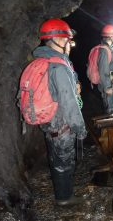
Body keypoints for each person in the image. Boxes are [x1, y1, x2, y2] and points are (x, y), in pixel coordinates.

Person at [35, 18, 87, 206]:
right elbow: (69, 102)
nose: (70, 45)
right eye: (68, 41)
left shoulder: (44, 61)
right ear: (59, 40)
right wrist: (80, 128)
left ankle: (62, 193)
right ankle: (64, 198)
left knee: (56, 159)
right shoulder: (59, 67)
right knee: (64, 162)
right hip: (62, 124)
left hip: (50, 123)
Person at [97, 24, 113, 114]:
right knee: (110, 108)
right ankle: (110, 125)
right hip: (108, 85)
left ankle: (111, 123)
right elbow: (103, 70)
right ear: (111, 37)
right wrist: (107, 87)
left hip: (111, 82)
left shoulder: (109, 49)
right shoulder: (104, 51)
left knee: (111, 106)